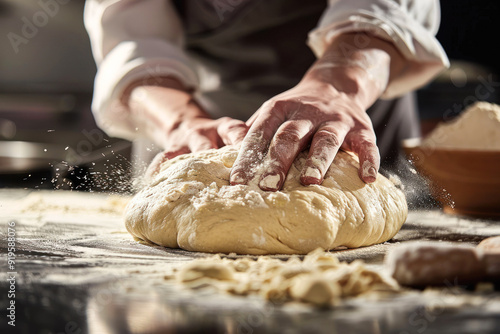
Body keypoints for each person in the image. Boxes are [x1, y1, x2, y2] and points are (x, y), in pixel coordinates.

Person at [84, 0, 448, 191]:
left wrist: (334, 87)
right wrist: (182, 123)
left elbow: (383, 12)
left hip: (349, 126)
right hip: (202, 137)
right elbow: (132, 44)